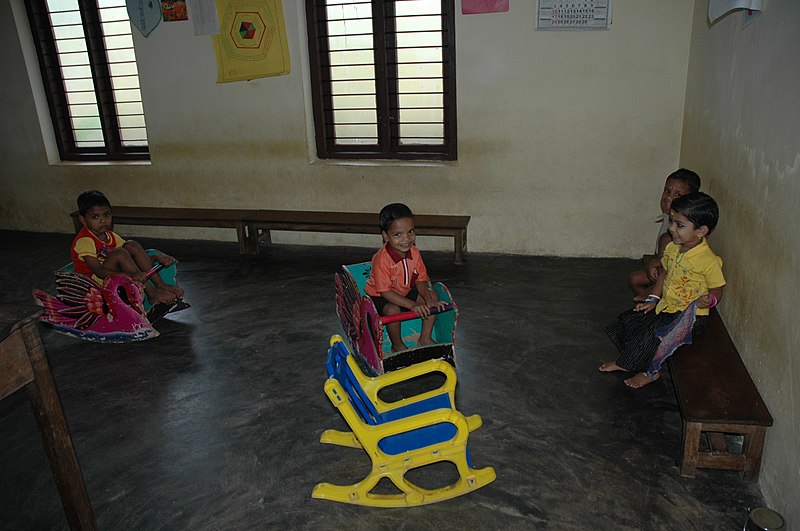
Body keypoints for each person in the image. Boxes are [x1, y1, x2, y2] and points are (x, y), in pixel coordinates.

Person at [601, 192, 725, 388]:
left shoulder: (708, 261)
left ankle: (650, 372)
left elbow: (717, 288)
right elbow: (665, 273)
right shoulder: (674, 248)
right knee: (631, 321)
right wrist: (652, 299)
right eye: (672, 222)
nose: (672, 229)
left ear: (701, 231)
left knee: (654, 336)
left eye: (679, 225)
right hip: (667, 307)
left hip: (690, 317)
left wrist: (710, 300)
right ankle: (631, 359)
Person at [72, 190, 184, 305]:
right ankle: (151, 292)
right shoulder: (85, 240)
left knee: (131, 245)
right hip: (96, 282)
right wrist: (132, 275)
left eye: (107, 215)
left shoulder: (110, 235)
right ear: (83, 220)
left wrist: (156, 257)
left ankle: (161, 285)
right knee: (120, 253)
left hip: (112, 273)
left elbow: (132, 255)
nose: (103, 221)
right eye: (95, 217)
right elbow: (99, 272)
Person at [364, 203, 447, 352]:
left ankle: (424, 338)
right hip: (380, 296)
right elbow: (385, 292)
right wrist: (412, 305)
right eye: (397, 234)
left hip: (405, 290)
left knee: (432, 295)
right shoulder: (381, 259)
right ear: (385, 236)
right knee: (392, 310)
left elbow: (421, 279)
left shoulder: (414, 252)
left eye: (410, 232)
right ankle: (397, 345)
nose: (406, 239)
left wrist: (428, 300)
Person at [628, 169, 701, 295]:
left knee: (666, 239)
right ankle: (650, 305)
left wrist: (658, 264)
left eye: (677, 194)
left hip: (679, 274)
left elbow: (681, 260)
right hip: (663, 266)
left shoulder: (689, 225)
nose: (669, 197)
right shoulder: (669, 215)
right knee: (634, 279)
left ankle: (656, 298)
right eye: (667, 191)